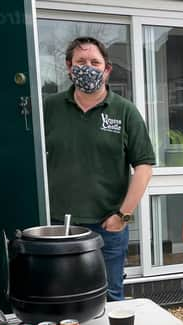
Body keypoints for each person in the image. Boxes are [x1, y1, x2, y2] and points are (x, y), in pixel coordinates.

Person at [44, 37, 156, 301]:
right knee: (64, 300)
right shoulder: (49, 108)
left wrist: (123, 215)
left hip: (109, 226)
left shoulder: (124, 111)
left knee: (109, 299)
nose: (88, 68)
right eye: (81, 62)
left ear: (107, 70)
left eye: (95, 62)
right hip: (60, 225)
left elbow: (144, 166)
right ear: (69, 67)